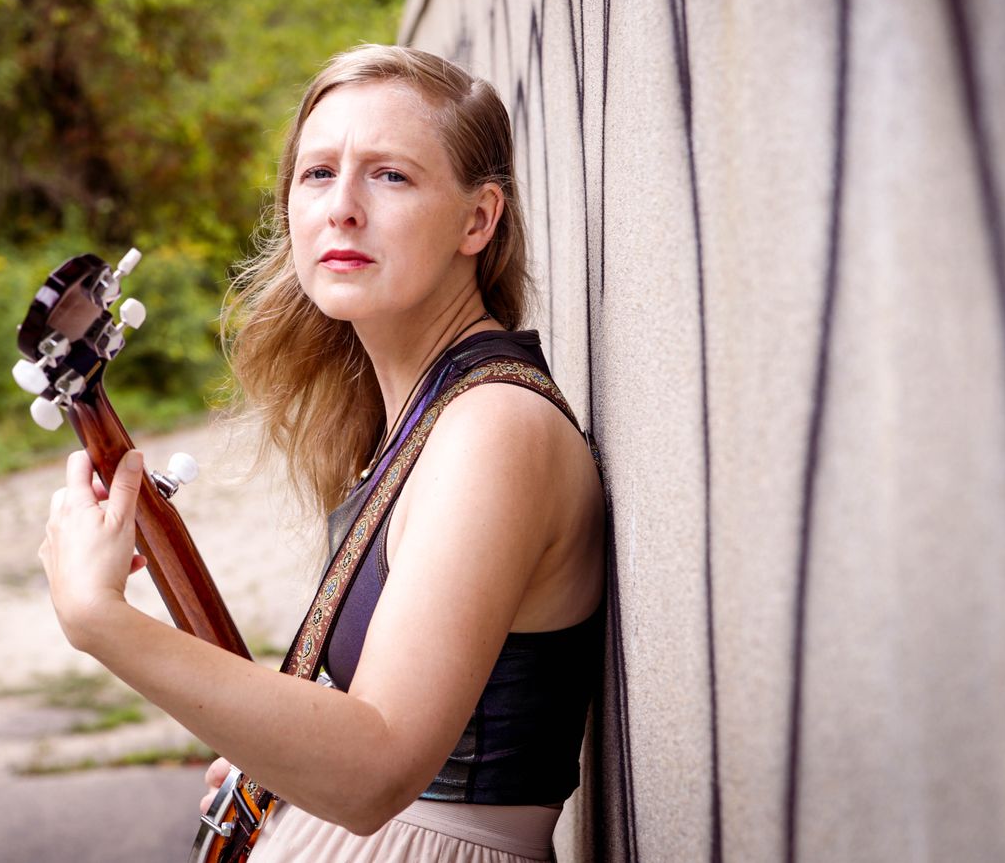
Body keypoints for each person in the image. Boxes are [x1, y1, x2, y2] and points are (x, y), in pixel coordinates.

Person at [38, 44, 605, 861]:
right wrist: (279, 752)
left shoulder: (494, 427)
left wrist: (100, 619)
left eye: (390, 175)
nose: (342, 207)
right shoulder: (418, 418)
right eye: (317, 174)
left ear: (478, 220)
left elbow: (375, 769)